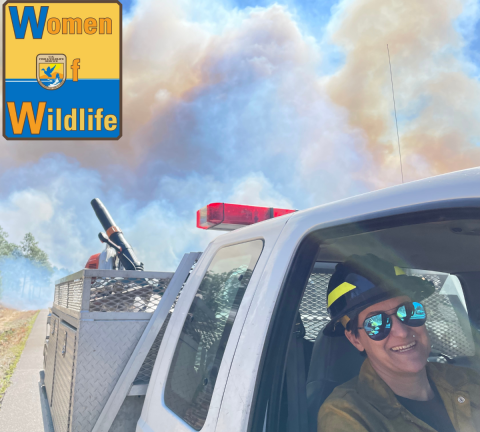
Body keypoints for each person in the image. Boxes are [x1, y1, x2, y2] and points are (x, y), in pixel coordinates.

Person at [318, 254, 480, 432]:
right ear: (355, 339)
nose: (402, 332)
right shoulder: (346, 414)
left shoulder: (469, 379)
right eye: (376, 323)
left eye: (408, 311)